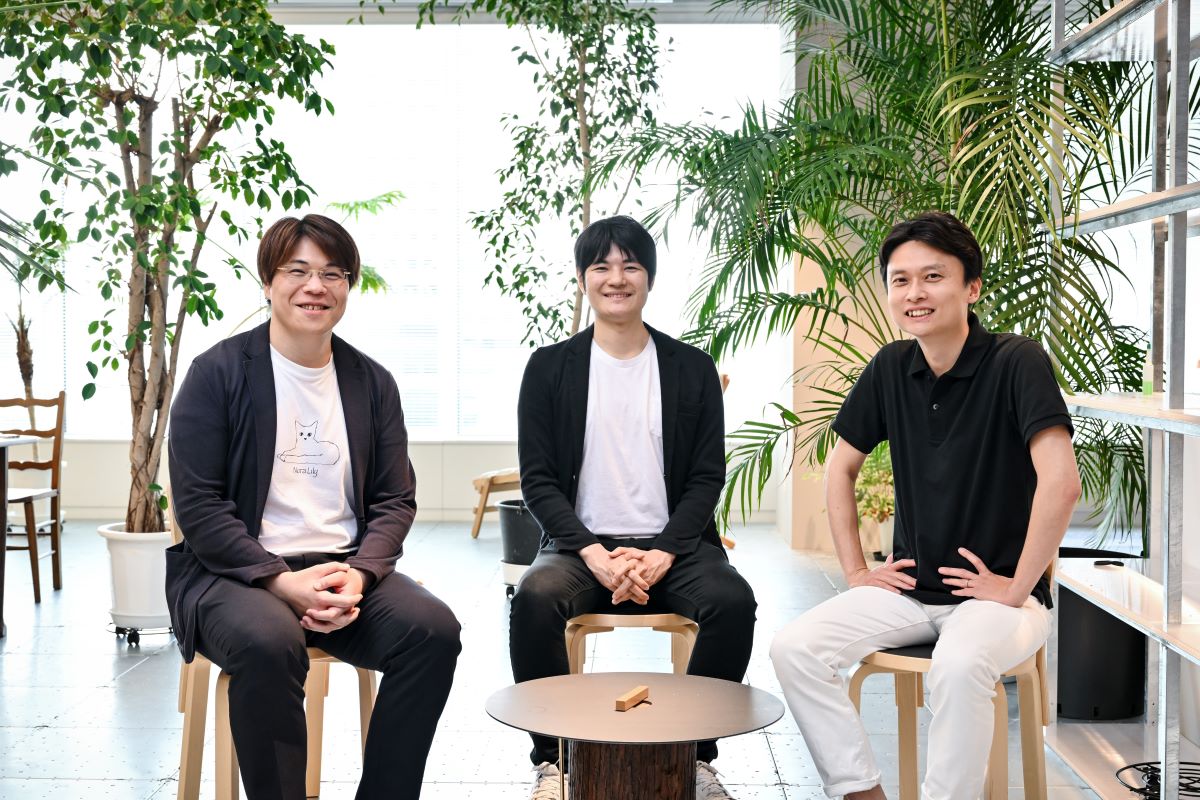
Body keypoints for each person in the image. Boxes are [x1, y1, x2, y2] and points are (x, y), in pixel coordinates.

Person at [769, 211, 1082, 799]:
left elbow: (1062, 482)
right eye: (900, 279)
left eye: (933, 276)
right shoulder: (891, 367)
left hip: (1000, 603)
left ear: (972, 287)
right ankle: (861, 792)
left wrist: (1016, 586)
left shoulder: (1017, 362)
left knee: (958, 667)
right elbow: (839, 469)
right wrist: (856, 571)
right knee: (795, 649)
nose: (914, 292)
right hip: (911, 592)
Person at [165, 214, 461, 800]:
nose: (315, 287)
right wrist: (280, 581)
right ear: (268, 282)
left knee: (432, 632)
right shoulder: (216, 373)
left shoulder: (372, 382)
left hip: (342, 567)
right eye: (297, 271)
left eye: (332, 274)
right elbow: (198, 505)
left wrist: (361, 574)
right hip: (235, 573)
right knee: (268, 641)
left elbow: (394, 498)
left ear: (348, 285)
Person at [510, 215, 758, 800]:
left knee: (731, 601)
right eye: (601, 266)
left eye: (631, 266)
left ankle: (695, 759)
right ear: (582, 279)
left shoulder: (691, 367)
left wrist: (665, 551)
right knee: (536, 598)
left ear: (650, 278)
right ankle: (553, 762)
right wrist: (593, 553)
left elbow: (706, 476)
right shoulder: (548, 368)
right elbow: (538, 481)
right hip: (578, 548)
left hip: (676, 548)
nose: (616, 278)